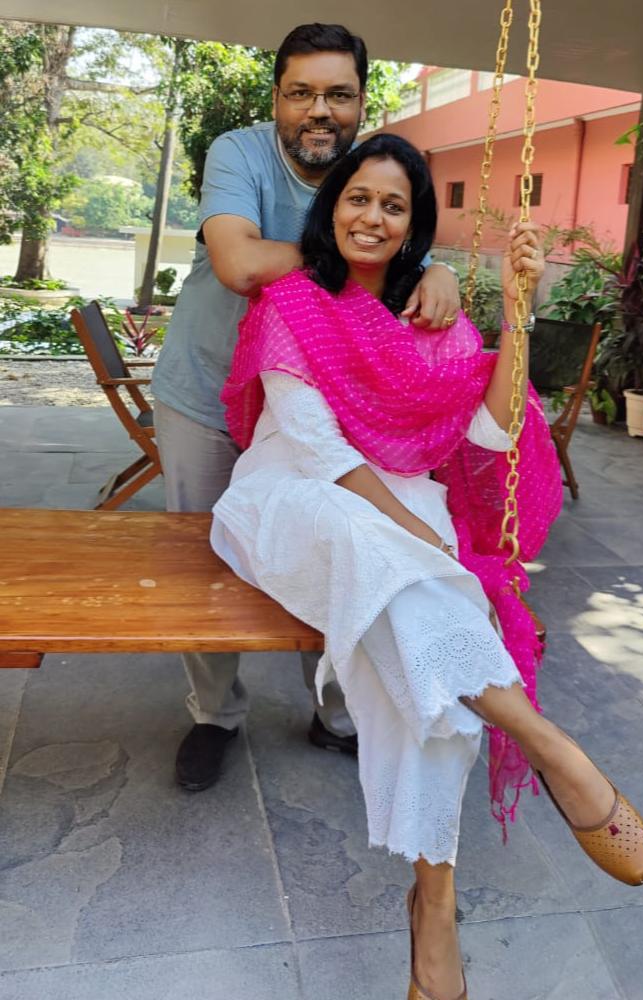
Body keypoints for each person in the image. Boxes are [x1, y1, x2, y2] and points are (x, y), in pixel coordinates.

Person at [211, 133, 643, 1000]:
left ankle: (435, 908)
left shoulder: (432, 318)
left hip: (399, 503)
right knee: (398, 570)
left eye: (393, 205)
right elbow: (318, 451)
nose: (370, 217)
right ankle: (546, 743)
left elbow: (488, 437)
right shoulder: (292, 303)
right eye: (357, 198)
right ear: (330, 204)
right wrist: (423, 551)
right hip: (289, 498)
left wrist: (517, 309)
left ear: (413, 225)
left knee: (429, 688)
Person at [150, 24, 461, 791]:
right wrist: (359, 257)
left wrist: (437, 267)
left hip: (320, 405)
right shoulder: (240, 154)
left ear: (361, 101)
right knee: (205, 561)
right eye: (301, 93)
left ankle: (334, 710)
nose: (319, 110)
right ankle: (214, 714)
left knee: (331, 543)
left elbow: (401, 232)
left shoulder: (369, 168)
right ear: (278, 98)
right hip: (206, 392)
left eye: (339, 94)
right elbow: (240, 263)